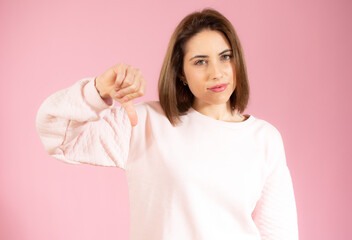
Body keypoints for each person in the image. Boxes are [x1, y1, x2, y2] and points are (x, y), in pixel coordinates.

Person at [36, 8, 299, 240]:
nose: (217, 72)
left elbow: (279, 234)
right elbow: (58, 135)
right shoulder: (146, 123)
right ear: (181, 72)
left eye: (225, 57)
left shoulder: (265, 138)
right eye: (200, 62)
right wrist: (98, 89)